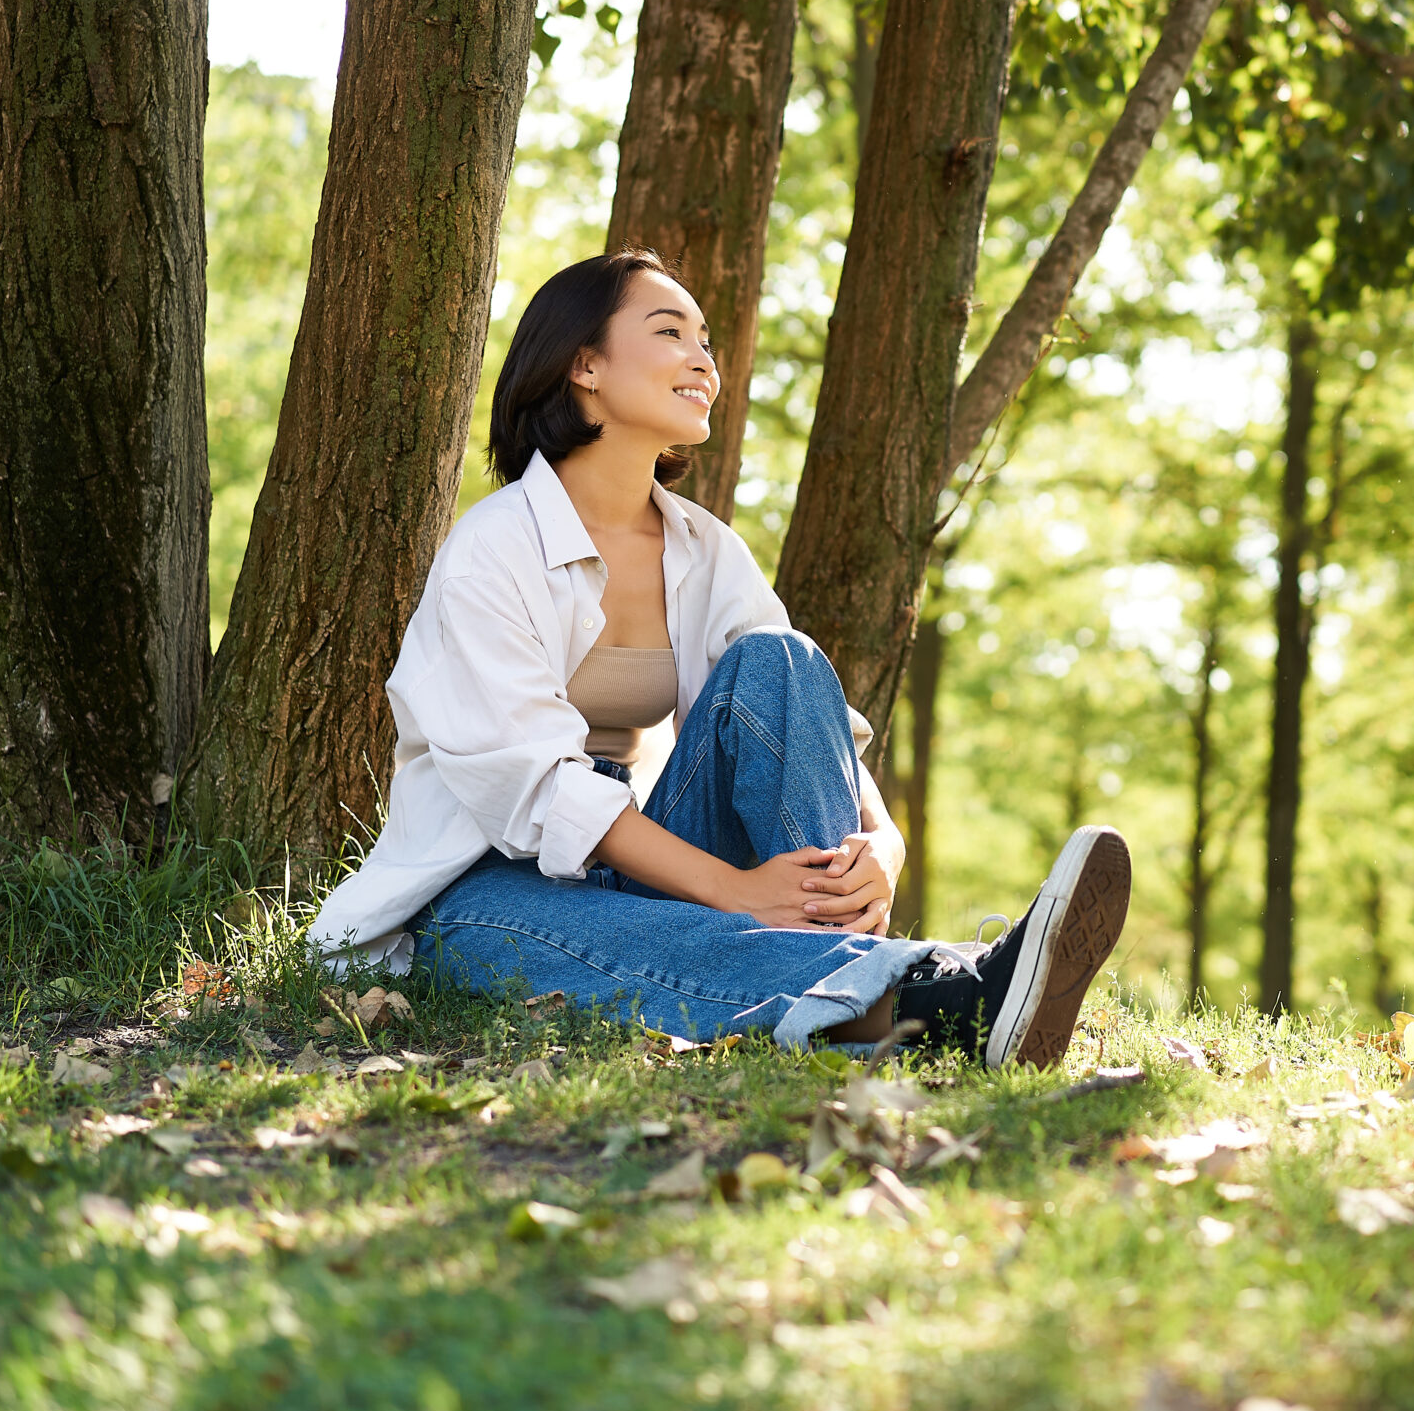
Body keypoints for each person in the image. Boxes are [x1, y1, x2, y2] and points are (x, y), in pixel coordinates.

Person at [305, 249, 1132, 1066]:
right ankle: (945, 993)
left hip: (645, 856)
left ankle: (874, 959)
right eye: (671, 332)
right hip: (483, 894)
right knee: (686, 932)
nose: (704, 358)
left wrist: (884, 846)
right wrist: (738, 890)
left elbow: (801, 714)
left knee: (780, 656)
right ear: (584, 365)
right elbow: (541, 790)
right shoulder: (492, 550)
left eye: (706, 340)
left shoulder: (705, 547)